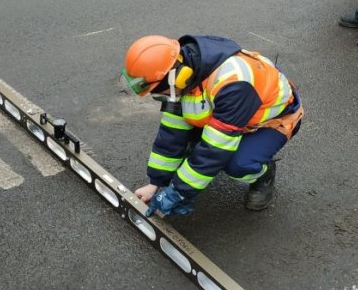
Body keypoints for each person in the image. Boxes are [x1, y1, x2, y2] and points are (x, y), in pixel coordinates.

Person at [122, 35, 304, 217]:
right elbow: (171, 133)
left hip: (270, 122)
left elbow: (214, 148)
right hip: (228, 118)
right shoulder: (182, 73)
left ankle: (264, 174)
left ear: (174, 79)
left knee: (237, 164)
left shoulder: (234, 83)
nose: (161, 97)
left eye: (157, 92)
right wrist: (155, 183)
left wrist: (180, 191)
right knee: (188, 145)